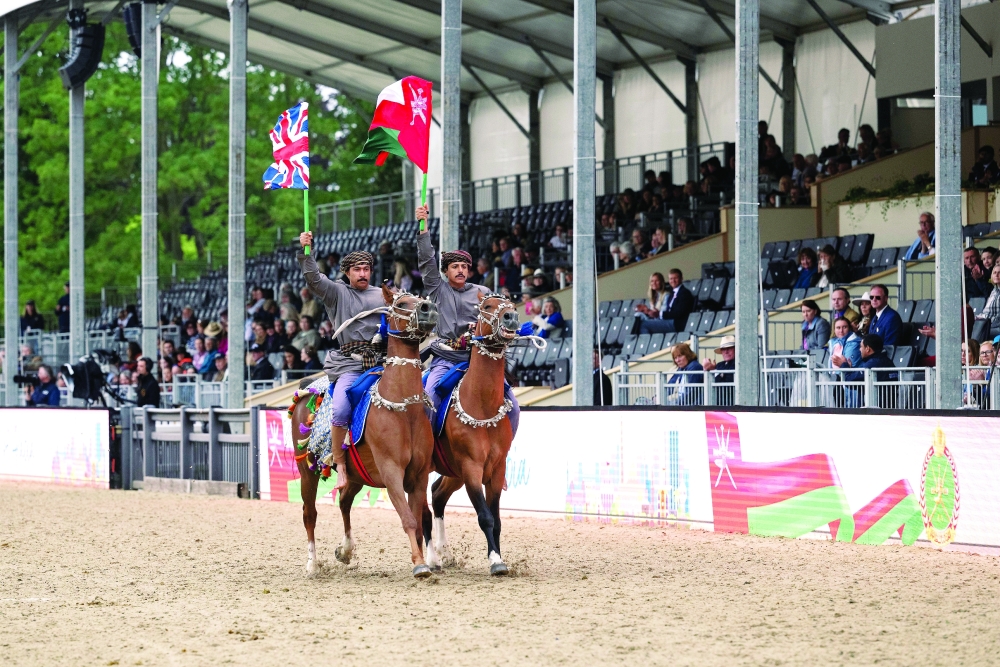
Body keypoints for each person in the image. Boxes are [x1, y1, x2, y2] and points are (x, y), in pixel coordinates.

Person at [413, 205, 520, 433]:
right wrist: (423, 230)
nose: (460, 270)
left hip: (478, 360)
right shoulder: (437, 289)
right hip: (446, 359)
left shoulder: (483, 292)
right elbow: (426, 261)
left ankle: (505, 445)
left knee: (513, 407)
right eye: (455, 267)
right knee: (431, 397)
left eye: (464, 266)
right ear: (446, 271)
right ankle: (429, 447)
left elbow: (497, 319)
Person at [299, 230, 385, 493]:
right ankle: (341, 465)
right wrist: (307, 252)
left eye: (366, 269)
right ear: (347, 272)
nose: (362, 273)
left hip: (383, 362)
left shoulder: (383, 295)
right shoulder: (336, 292)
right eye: (357, 269)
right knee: (340, 409)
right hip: (350, 364)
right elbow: (313, 279)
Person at [639, 269, 694, 334]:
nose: (673, 281)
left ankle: (646, 343)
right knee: (638, 321)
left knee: (644, 325)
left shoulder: (684, 293)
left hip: (676, 323)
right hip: (668, 320)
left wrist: (659, 314)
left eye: (675, 278)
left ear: (681, 279)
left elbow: (679, 313)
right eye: (671, 279)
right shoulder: (672, 292)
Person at [702, 335, 735, 405]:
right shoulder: (720, 365)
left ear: (735, 349)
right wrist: (706, 369)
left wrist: (713, 370)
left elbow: (726, 385)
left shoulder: (737, 364)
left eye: (729, 348)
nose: (726, 352)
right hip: (716, 402)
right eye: (723, 349)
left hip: (729, 403)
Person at [975, 264, 1000, 338]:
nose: (996, 275)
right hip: (985, 322)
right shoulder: (994, 290)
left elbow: (995, 317)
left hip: (993, 326)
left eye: (999, 272)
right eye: (994, 272)